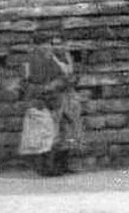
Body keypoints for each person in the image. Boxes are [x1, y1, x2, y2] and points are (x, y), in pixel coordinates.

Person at [22, 36, 83, 176]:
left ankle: (63, 164)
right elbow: (27, 82)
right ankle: (46, 167)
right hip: (46, 100)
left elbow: (70, 77)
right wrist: (46, 89)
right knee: (47, 133)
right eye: (50, 44)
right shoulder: (34, 61)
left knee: (68, 133)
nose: (52, 47)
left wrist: (65, 82)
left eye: (54, 44)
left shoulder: (64, 58)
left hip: (64, 98)